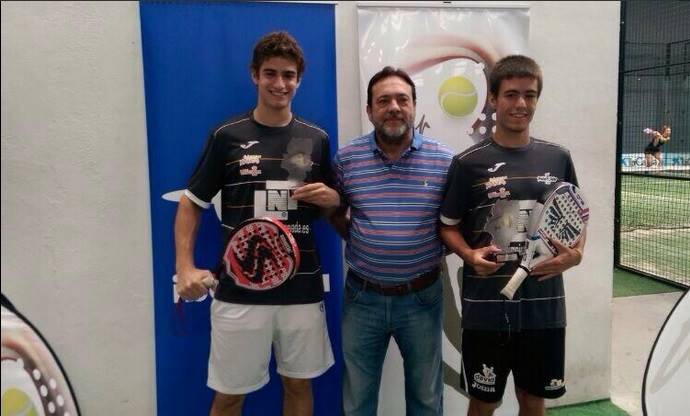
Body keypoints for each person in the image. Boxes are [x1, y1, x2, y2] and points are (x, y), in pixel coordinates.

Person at [174, 31, 339, 416]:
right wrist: (184, 267)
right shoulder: (227, 136)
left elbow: (332, 204)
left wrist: (333, 200)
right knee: (229, 396)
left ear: (299, 79)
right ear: (254, 75)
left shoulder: (316, 139)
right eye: (270, 73)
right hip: (240, 293)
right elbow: (190, 203)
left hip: (301, 291)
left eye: (288, 75)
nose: (280, 83)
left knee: (298, 386)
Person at [438, 55, 586, 416]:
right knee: (484, 403)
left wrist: (576, 254)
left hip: (544, 309)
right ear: (493, 99)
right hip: (485, 310)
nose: (521, 104)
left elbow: (576, 216)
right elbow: (447, 225)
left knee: (533, 401)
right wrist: (469, 256)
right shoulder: (467, 163)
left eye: (530, 95)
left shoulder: (558, 157)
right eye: (511, 94)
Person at [332, 66, 454, 415]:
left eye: (402, 99)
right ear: (369, 110)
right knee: (356, 400)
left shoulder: (445, 161)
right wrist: (365, 242)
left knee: (426, 399)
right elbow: (336, 214)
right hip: (363, 298)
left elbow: (453, 225)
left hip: (422, 297)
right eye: (383, 100)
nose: (394, 107)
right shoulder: (347, 159)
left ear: (414, 106)